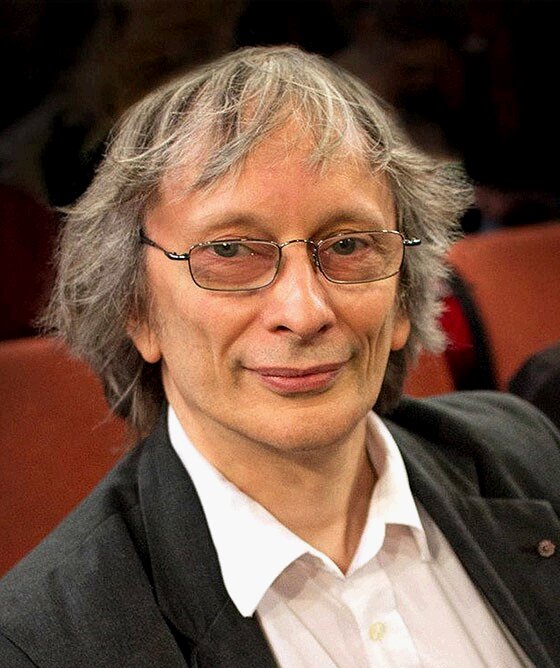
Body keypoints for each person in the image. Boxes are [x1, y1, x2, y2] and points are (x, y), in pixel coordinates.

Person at [0, 46, 559, 668]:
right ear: (138, 310)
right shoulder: (44, 643)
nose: (305, 310)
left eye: (348, 244)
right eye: (231, 251)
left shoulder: (528, 452)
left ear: (403, 298)